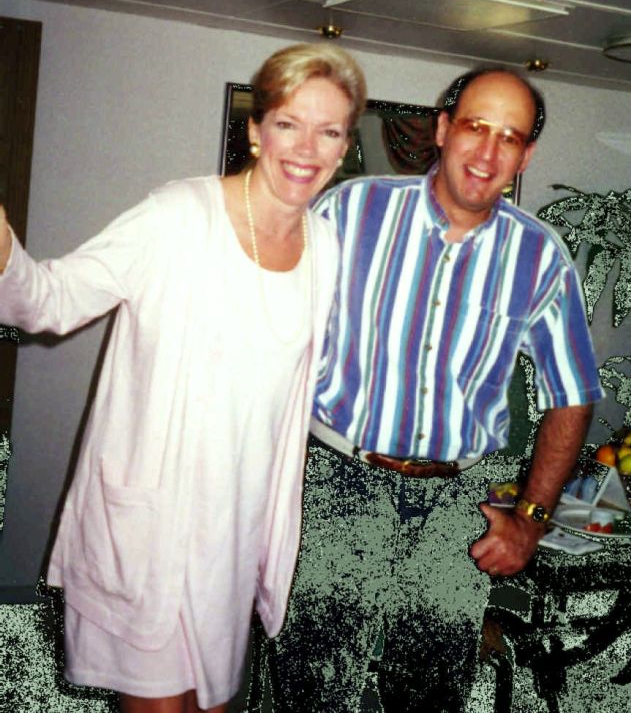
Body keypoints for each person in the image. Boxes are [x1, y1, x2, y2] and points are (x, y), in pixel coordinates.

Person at [0, 42, 366, 713]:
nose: (306, 148)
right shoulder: (178, 216)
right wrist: (3, 253)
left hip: (234, 536)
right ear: (256, 131)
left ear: (344, 148)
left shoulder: (327, 249)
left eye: (329, 131)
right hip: (154, 530)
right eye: (288, 123)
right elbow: (49, 302)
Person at [264, 67, 603, 712]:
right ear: (443, 130)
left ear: (526, 155)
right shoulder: (350, 211)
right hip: (335, 485)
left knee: (431, 697)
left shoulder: (539, 256)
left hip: (457, 508)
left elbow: (573, 395)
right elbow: (269, 335)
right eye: (475, 127)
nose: (488, 152)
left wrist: (530, 521)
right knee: (310, 691)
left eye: (509, 137)